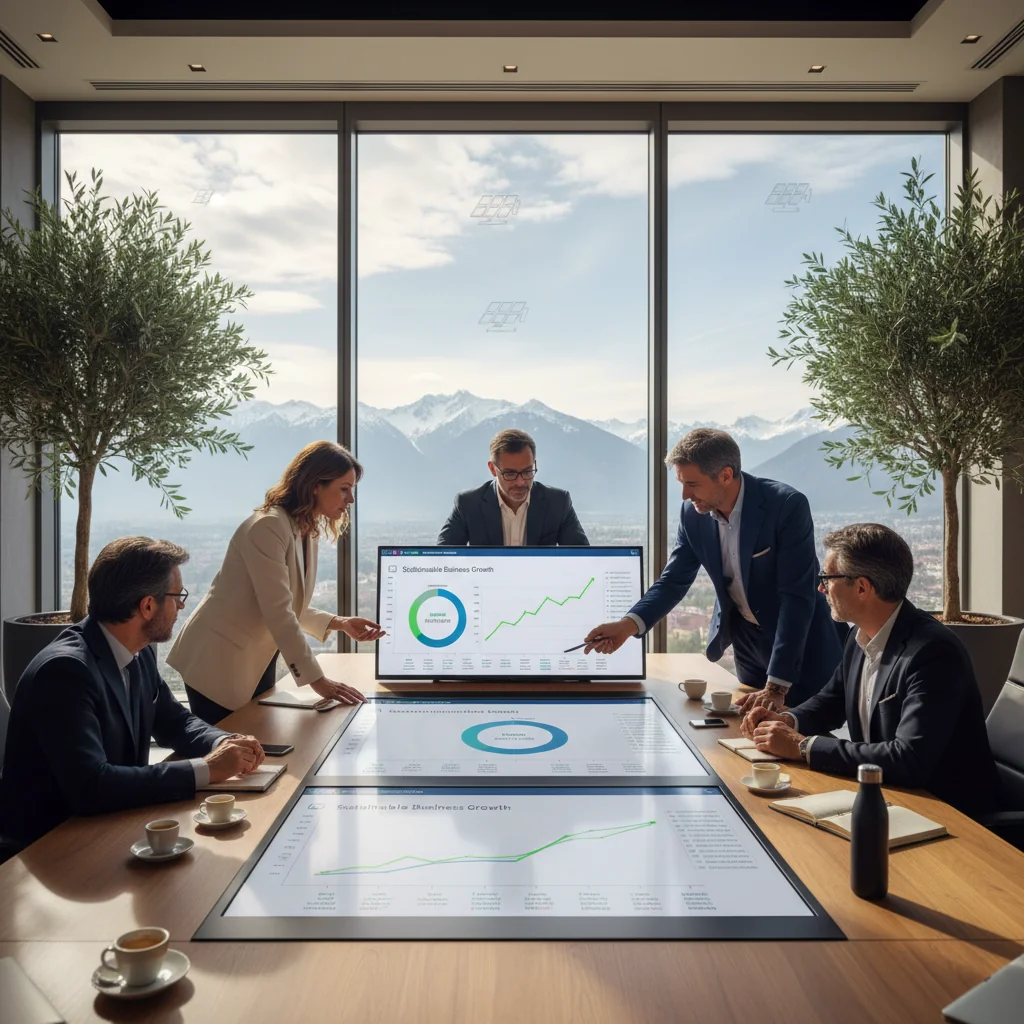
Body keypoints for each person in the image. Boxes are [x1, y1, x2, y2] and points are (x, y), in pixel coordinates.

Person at [0, 537, 265, 851]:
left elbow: (174, 721)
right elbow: (92, 786)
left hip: (109, 826)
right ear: (148, 606)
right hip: (49, 846)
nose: (181, 605)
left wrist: (223, 742)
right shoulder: (65, 672)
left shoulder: (139, 652)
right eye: (177, 596)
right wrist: (208, 770)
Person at [741, 523, 999, 819]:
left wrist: (803, 747)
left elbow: (908, 758)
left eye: (826, 577)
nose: (820, 587)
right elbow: (832, 701)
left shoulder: (934, 653)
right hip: (887, 797)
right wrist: (787, 719)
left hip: (949, 815)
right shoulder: (859, 635)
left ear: (862, 587)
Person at [583, 428, 841, 708]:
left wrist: (777, 685)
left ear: (726, 475)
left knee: (804, 737)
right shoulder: (693, 515)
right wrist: (627, 626)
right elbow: (674, 580)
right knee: (747, 738)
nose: (683, 495)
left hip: (802, 646)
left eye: (692, 484)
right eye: (681, 483)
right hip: (748, 648)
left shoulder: (787, 506)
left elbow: (796, 597)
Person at [168, 441, 385, 724]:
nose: (350, 500)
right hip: (218, 660)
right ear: (315, 485)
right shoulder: (268, 526)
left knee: (256, 750)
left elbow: (286, 604)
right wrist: (319, 682)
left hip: (252, 662)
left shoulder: (304, 529)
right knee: (230, 754)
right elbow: (278, 611)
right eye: (344, 489)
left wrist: (339, 622)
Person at [437, 428, 589, 547]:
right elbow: (442, 559)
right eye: (510, 474)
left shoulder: (558, 503)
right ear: (492, 469)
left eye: (527, 471)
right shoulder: (468, 504)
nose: (521, 482)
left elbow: (583, 560)